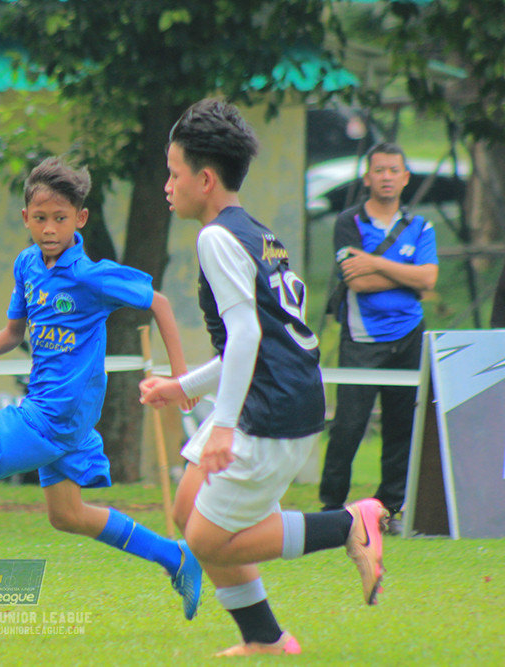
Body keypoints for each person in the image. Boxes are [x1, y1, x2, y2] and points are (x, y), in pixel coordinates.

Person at [139, 99, 389, 656]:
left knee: (208, 540)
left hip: (271, 410)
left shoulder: (213, 239)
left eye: (173, 173)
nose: (167, 185)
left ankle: (349, 523)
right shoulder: (256, 231)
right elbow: (252, 344)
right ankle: (265, 639)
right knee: (186, 508)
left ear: (205, 179)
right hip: (280, 392)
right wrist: (184, 389)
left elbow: (248, 336)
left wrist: (222, 427)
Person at [0, 157, 204, 621]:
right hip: (50, 412)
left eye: (61, 218)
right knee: (67, 515)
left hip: (53, 418)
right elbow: (14, 332)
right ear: (26, 218)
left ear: (80, 220)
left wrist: (181, 377)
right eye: (41, 218)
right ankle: (177, 558)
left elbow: (161, 304)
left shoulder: (90, 277)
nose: (50, 228)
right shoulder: (27, 264)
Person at [319, 142, 439, 535]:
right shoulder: (348, 223)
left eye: (394, 170)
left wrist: (374, 261)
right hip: (362, 338)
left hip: (410, 335)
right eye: (379, 170)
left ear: (405, 178)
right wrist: (404, 272)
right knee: (350, 425)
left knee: (403, 424)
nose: (386, 177)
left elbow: (429, 279)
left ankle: (389, 508)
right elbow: (357, 279)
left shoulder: (421, 227)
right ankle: (331, 506)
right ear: (368, 177)